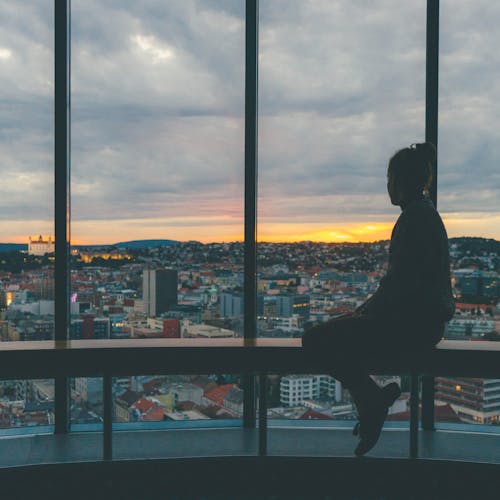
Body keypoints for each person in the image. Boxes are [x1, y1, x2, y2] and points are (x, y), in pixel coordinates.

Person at [301, 142, 455, 456]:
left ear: (401, 182)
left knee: (315, 339)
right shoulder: (424, 215)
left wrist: (361, 315)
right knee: (337, 332)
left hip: (410, 327)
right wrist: (361, 314)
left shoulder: (414, 220)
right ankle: (372, 398)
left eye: (390, 179)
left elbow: (398, 287)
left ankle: (370, 400)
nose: (387, 186)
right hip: (423, 324)